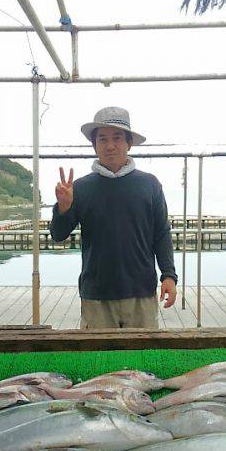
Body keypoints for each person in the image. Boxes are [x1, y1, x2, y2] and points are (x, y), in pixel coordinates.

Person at [50, 106, 177, 329]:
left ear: (129, 143)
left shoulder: (150, 184)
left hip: (141, 293)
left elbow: (161, 233)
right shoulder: (79, 188)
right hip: (96, 295)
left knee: (143, 351)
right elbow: (58, 235)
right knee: (98, 353)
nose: (110, 146)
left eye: (117, 138)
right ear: (95, 145)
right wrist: (64, 208)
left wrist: (168, 275)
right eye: (103, 139)